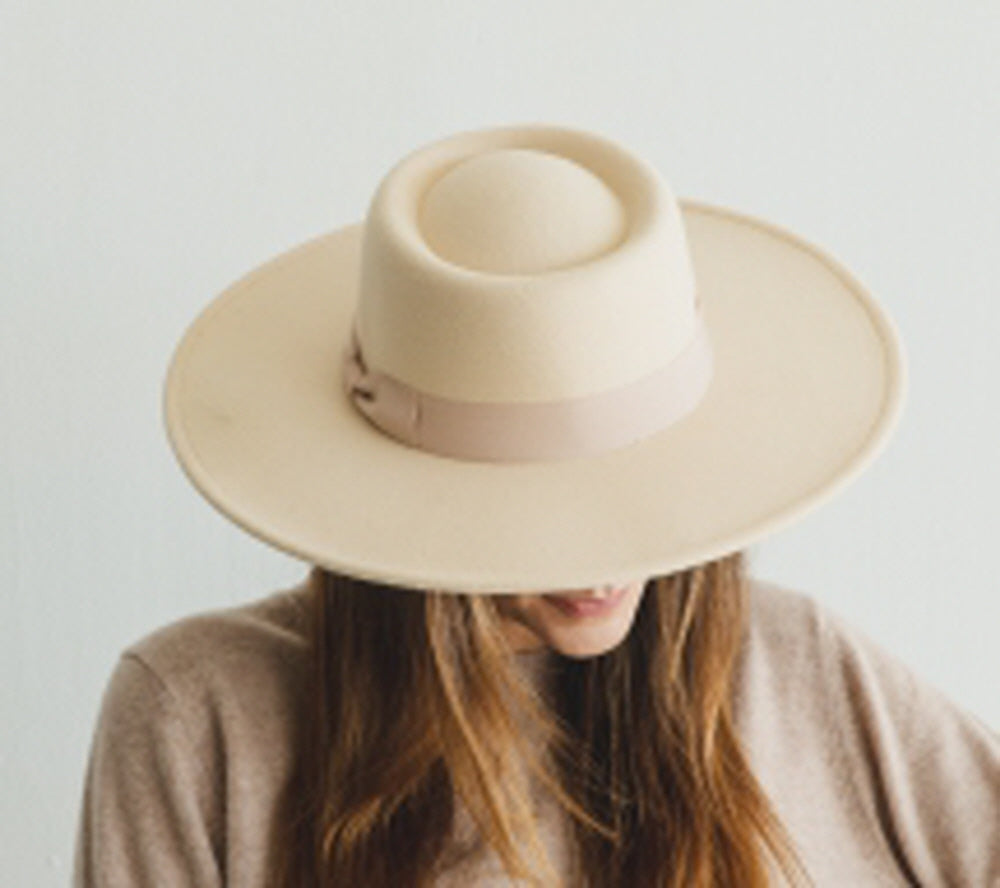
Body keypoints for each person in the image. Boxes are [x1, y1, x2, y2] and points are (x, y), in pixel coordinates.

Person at [73, 125, 1000, 887]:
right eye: (538, 508)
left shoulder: (799, 670)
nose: (603, 560)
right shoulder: (200, 716)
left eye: (626, 481)